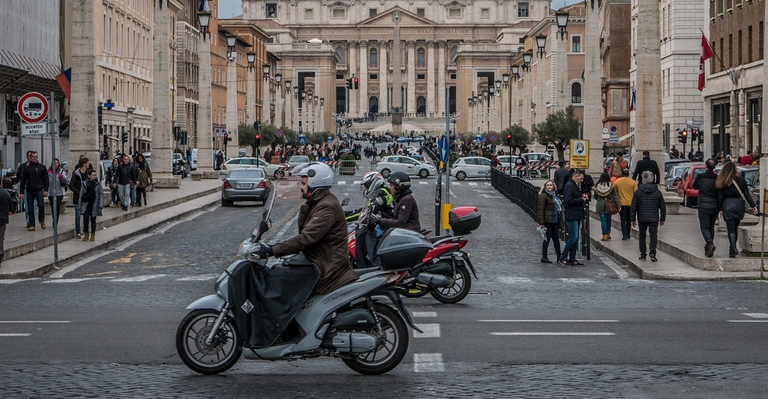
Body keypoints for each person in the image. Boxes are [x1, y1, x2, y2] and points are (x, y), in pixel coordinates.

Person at [256, 163, 358, 294]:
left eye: (304, 183)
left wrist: (272, 250)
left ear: (315, 184)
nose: (301, 187)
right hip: (319, 260)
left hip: (326, 269)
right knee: (281, 271)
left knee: (278, 280)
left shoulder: (326, 207)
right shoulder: (319, 202)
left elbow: (306, 238)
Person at [717, 161, 758, 258]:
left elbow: (720, 196)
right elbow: (747, 195)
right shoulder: (741, 180)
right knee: (735, 227)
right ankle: (732, 248)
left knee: (730, 228)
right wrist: (753, 206)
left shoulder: (723, 180)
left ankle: (733, 247)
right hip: (739, 205)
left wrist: (720, 209)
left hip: (727, 204)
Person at [630, 171, 666, 262]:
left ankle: (643, 254)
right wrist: (662, 218)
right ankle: (652, 252)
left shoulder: (638, 192)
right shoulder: (657, 192)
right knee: (653, 235)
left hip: (642, 217)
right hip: (654, 217)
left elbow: (634, 206)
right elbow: (662, 206)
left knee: (642, 235)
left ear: (643, 180)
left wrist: (632, 218)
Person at [558, 169, 588, 266]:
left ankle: (572, 257)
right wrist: (581, 200)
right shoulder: (569, 185)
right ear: (576, 176)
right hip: (572, 214)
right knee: (574, 236)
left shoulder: (573, 185)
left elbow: (573, 197)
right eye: (581, 178)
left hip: (576, 214)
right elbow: (568, 200)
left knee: (576, 237)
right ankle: (563, 256)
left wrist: (581, 196)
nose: (582, 180)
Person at [693, 158, 720, 257]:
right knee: (711, 227)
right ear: (714, 167)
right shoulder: (717, 178)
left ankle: (709, 243)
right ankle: (708, 247)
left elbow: (694, 186)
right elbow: (719, 192)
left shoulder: (700, 176)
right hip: (714, 205)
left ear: (706, 166)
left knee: (704, 227)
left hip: (703, 204)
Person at [19, 151, 49, 231]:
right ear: (30, 157)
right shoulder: (27, 168)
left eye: (36, 156)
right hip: (29, 190)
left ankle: (41, 221)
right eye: (33, 157)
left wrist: (46, 189)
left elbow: (46, 179)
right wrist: (21, 191)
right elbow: (23, 180)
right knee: (30, 207)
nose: (34, 158)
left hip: (39, 189)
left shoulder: (42, 167)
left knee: (41, 206)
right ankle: (32, 224)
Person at [537, 180, 562, 263]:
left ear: (554, 186)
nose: (549, 186)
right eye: (548, 185)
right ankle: (544, 256)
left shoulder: (554, 195)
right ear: (545, 186)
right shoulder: (543, 196)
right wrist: (541, 223)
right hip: (547, 221)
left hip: (555, 220)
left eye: (551, 185)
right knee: (546, 239)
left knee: (556, 239)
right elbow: (540, 210)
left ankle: (559, 256)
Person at [592, 172, 621, 241]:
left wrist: (599, 199)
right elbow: (615, 196)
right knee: (608, 219)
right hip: (609, 205)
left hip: (600, 205)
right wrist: (618, 205)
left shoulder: (597, 186)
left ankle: (604, 235)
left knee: (603, 220)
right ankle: (608, 233)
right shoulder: (611, 186)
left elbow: (595, 196)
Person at [78, 169, 103, 241]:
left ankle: (93, 234)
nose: (94, 176)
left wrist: (101, 205)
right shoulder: (84, 183)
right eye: (93, 175)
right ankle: (86, 234)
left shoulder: (98, 184)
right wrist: (79, 205)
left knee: (93, 219)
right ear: (89, 176)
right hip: (86, 203)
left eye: (95, 175)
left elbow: (101, 194)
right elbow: (81, 194)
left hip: (94, 204)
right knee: (85, 219)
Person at [613, 168, 637, 240]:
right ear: (628, 174)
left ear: (622, 174)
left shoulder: (617, 182)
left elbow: (615, 193)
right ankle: (628, 234)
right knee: (629, 219)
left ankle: (624, 235)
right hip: (630, 203)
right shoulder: (633, 182)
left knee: (623, 219)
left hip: (621, 203)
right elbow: (636, 193)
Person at [69, 158, 90, 238]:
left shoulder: (88, 173)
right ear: (84, 164)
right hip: (78, 198)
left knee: (87, 215)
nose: (88, 164)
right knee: (78, 215)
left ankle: (85, 229)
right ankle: (78, 232)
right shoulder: (76, 174)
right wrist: (78, 192)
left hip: (86, 197)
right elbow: (71, 185)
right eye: (87, 163)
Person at [47, 158, 68, 226]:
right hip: (51, 192)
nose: (55, 164)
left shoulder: (61, 171)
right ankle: (54, 218)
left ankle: (55, 221)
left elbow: (67, 181)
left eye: (56, 162)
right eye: (54, 163)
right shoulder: (48, 172)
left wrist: (61, 177)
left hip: (59, 192)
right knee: (53, 207)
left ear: (58, 164)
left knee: (57, 206)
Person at [0, 187, 10, 267]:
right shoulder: (6, 193)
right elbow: (11, 206)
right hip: (3, 219)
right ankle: (0, 253)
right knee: (1, 237)